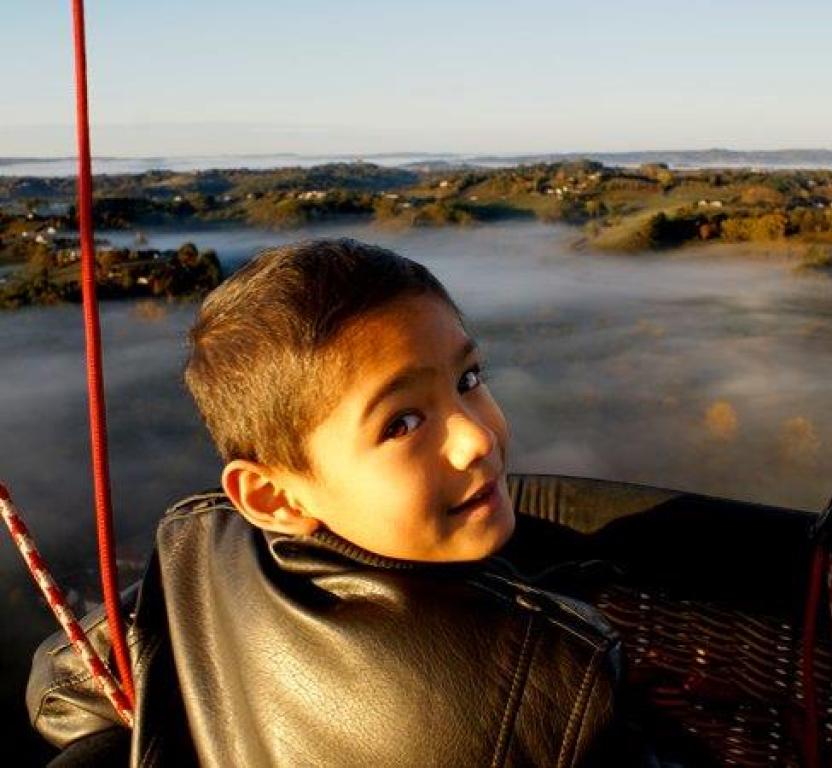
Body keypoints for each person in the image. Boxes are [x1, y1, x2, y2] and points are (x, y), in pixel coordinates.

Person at [26, 239, 655, 767]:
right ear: (271, 495)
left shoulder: (202, 551)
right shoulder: (558, 681)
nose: (476, 437)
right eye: (402, 423)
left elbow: (61, 684)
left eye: (468, 380)